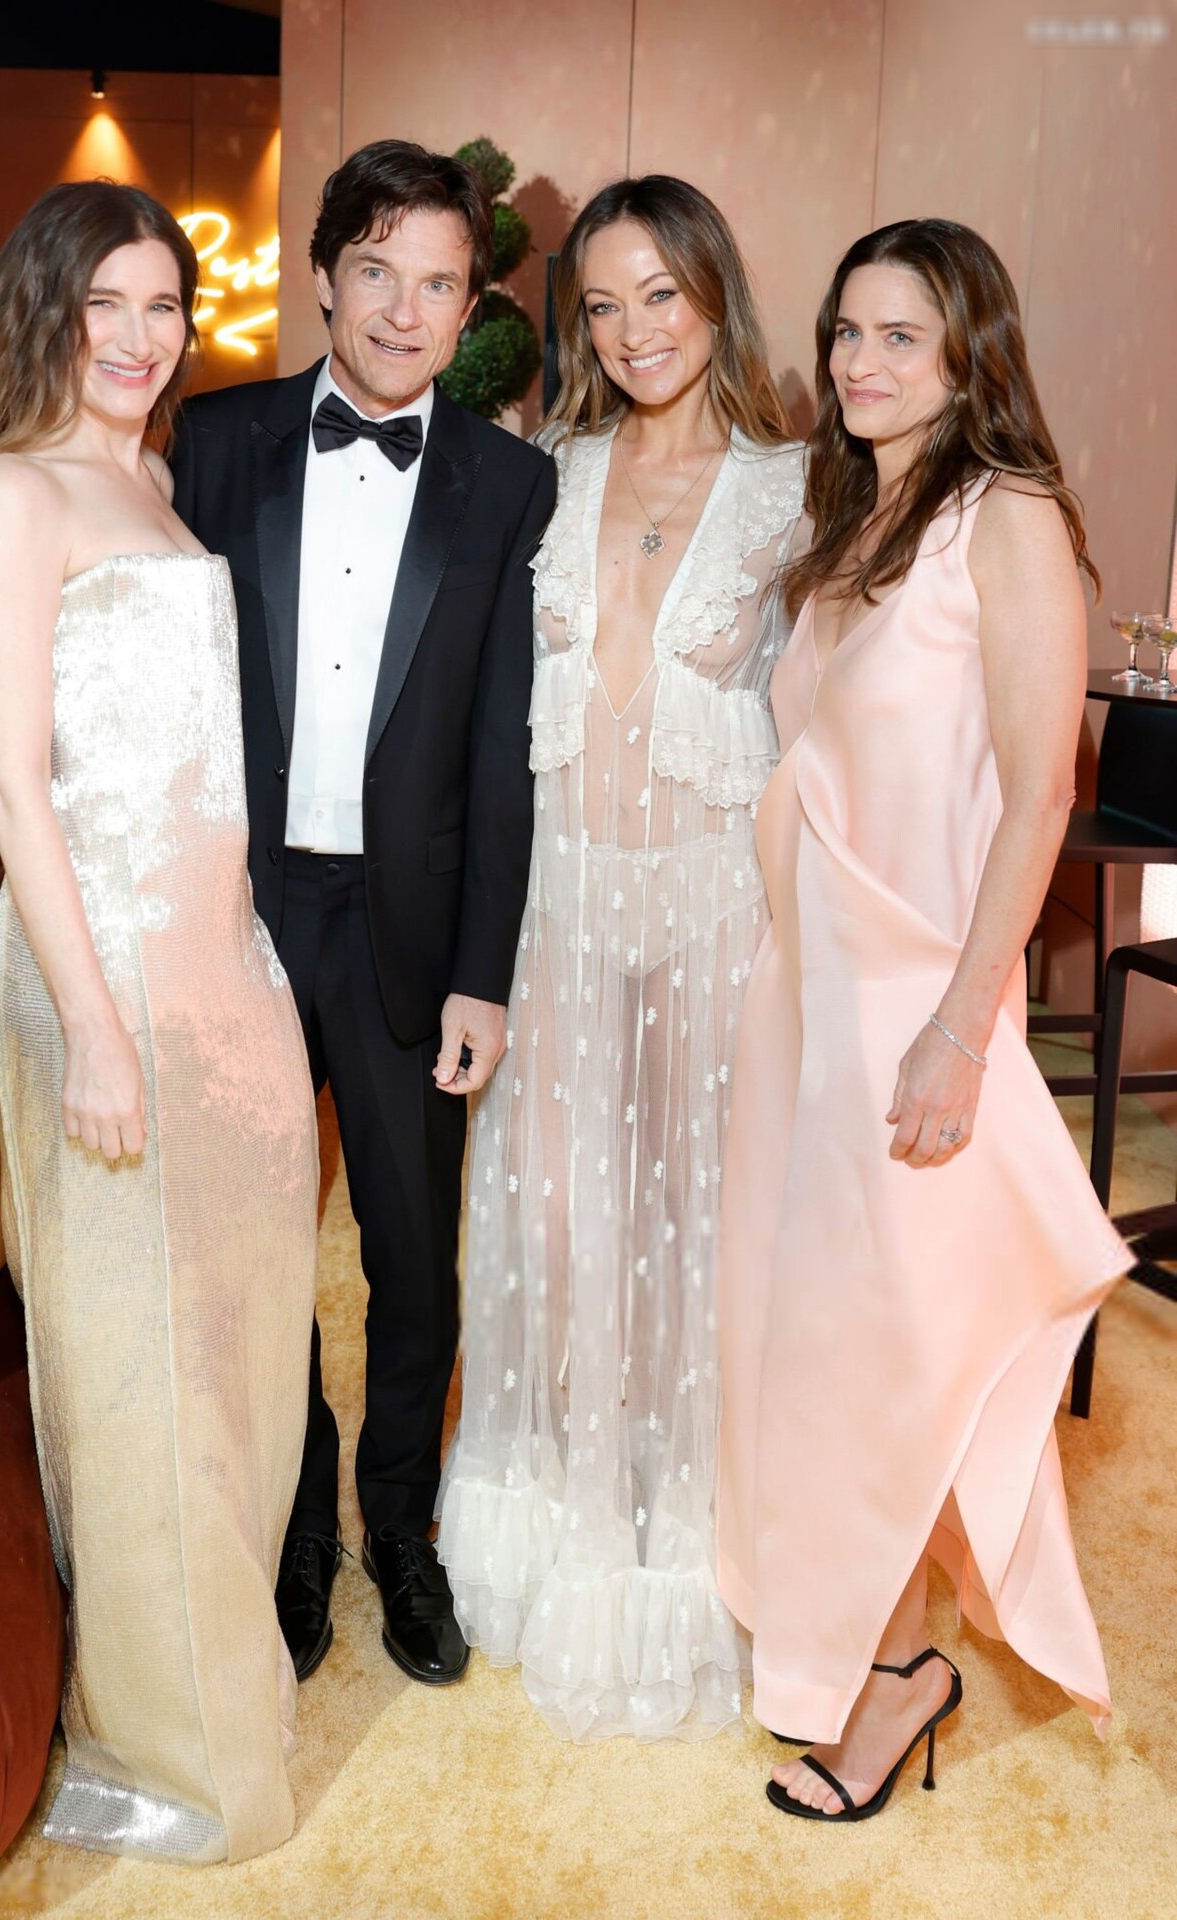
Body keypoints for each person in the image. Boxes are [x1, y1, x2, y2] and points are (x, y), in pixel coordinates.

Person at [716, 217, 1129, 1820]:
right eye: (847, 332)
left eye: (901, 336)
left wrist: (960, 1029)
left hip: (915, 1000)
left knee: (882, 1353)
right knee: (823, 1342)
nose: (860, 362)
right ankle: (887, 1650)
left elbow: (1041, 796)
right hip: (811, 993)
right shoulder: (858, 516)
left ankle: (893, 1677)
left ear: (969, 356)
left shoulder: (1003, 516)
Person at [0, 181, 319, 1862]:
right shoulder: (11, 496)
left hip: (222, 971)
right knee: (136, 1355)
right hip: (103, 978)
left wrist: (247, 963)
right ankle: (176, 1748)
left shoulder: (154, 481)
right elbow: (15, 785)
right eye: (107, 300)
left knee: (241, 1334)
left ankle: (220, 1679)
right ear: (46, 305)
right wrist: (94, 1028)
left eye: (166, 303)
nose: (142, 334)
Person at [170, 140, 556, 1689]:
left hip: (410, 928)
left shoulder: (509, 485)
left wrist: (484, 976)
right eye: (377, 271)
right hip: (241, 917)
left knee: (411, 1253)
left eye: (439, 283)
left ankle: (399, 1524)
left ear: (472, 308)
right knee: (260, 1244)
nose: (405, 310)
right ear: (323, 274)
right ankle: (292, 1522)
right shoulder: (215, 442)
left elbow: (503, 755)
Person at [436, 176, 805, 1739]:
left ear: (715, 290)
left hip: (722, 912)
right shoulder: (547, 471)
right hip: (561, 910)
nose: (635, 330)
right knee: (563, 1226)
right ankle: (569, 1539)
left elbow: (850, 712)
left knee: (702, 1230)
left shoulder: (802, 489)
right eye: (603, 303)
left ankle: (696, 1553)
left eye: (662, 293)